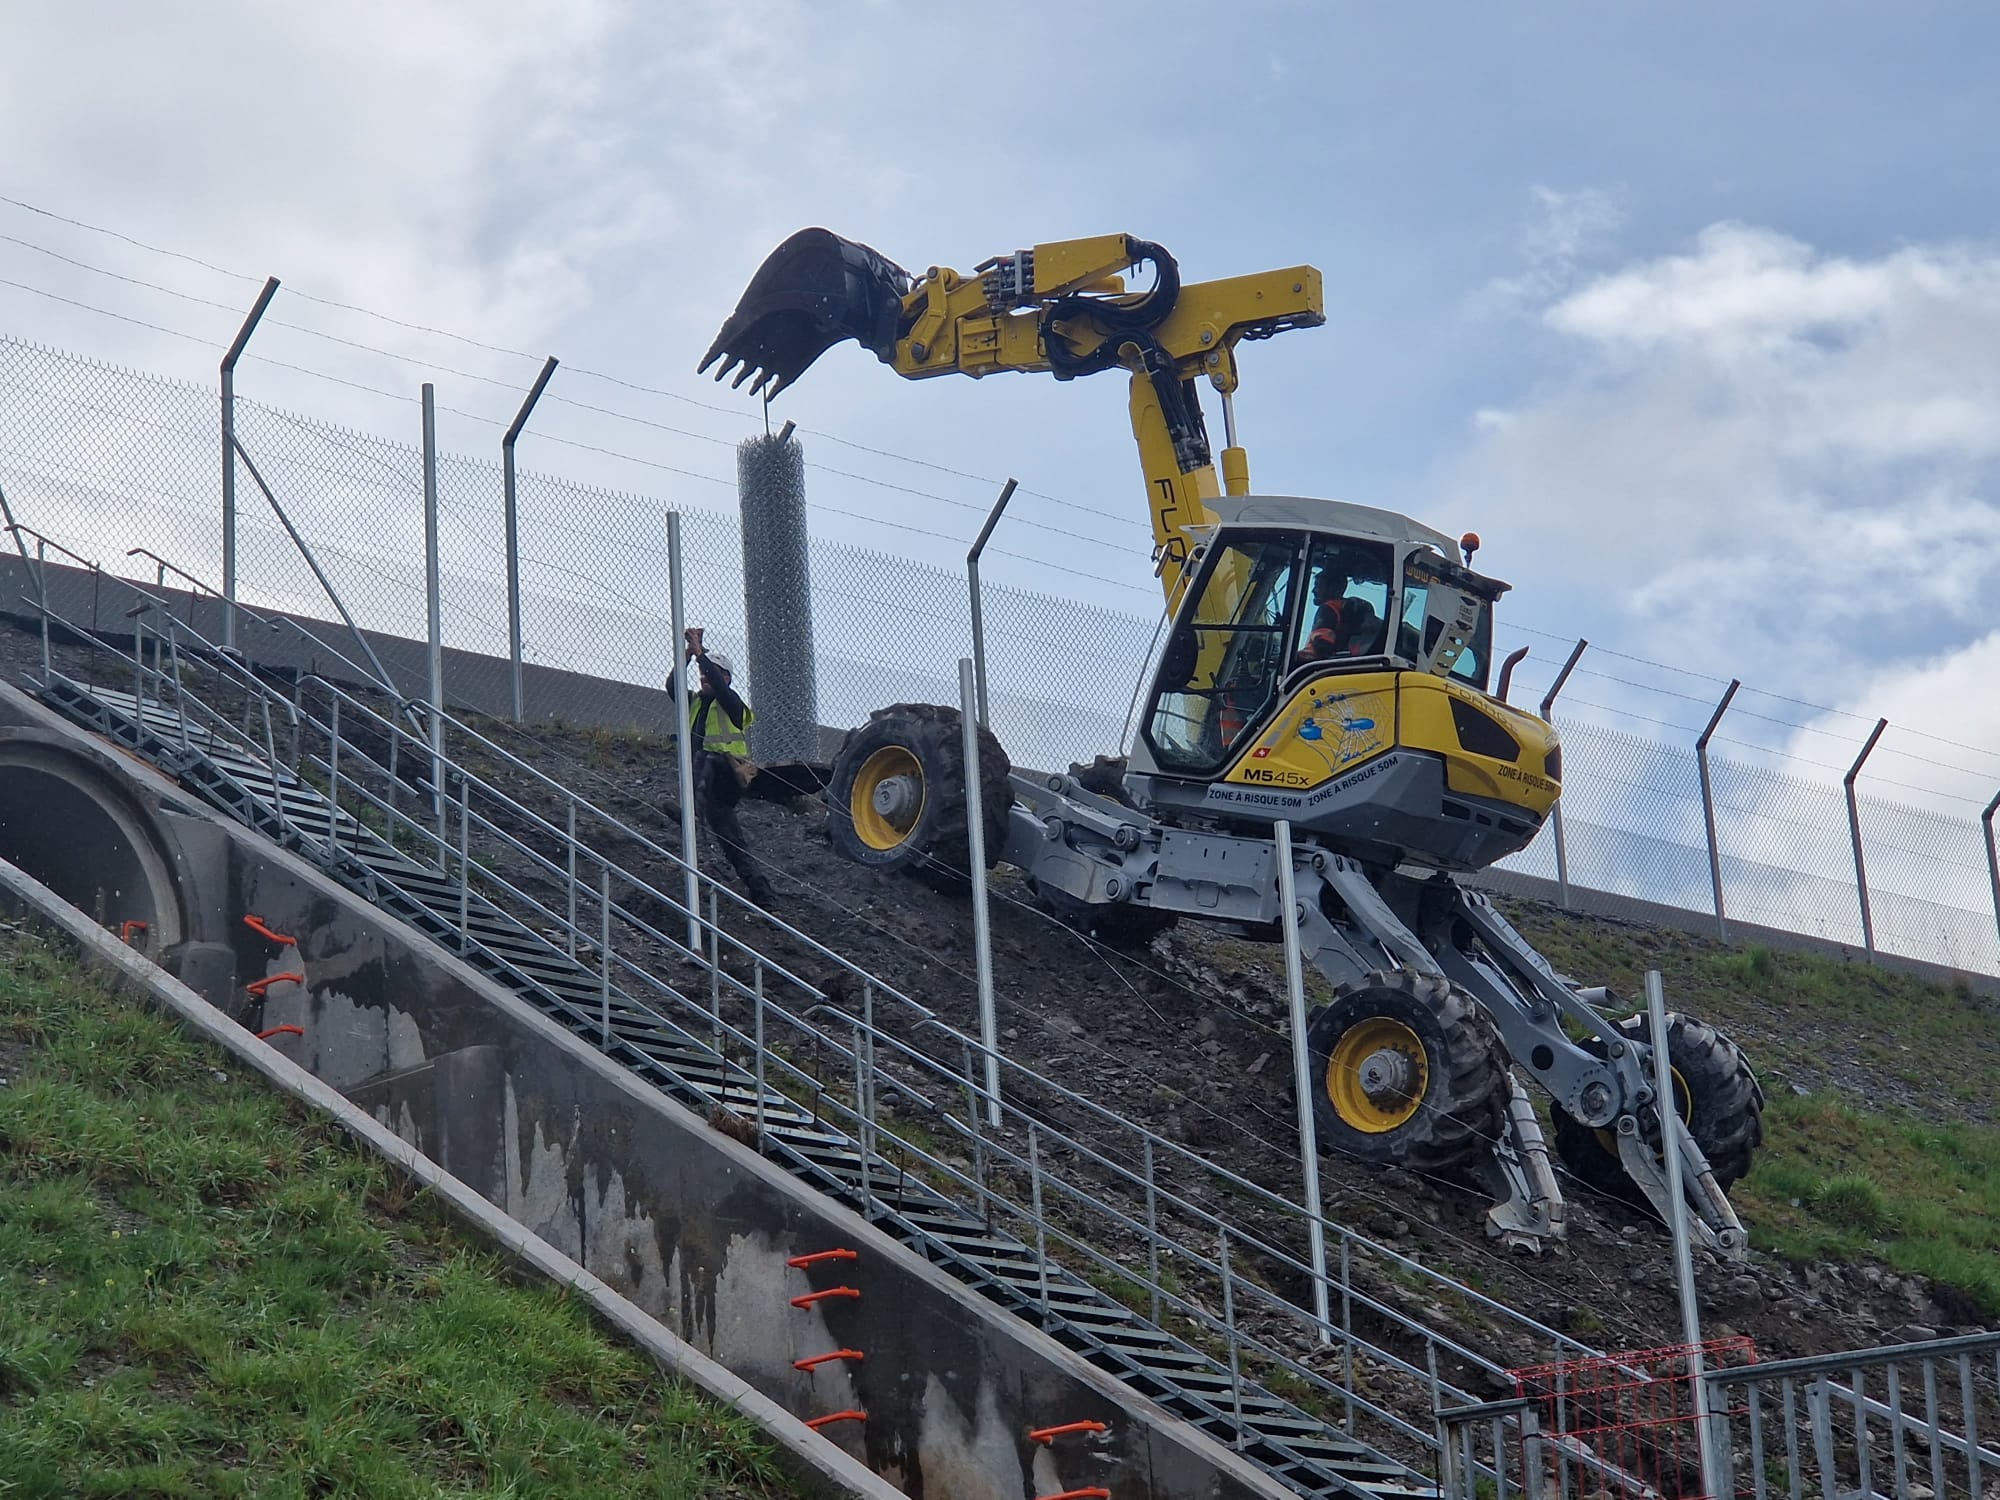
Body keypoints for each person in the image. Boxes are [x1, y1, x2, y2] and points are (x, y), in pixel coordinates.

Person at [666, 628, 775, 908]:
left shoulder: (732, 703)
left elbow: (721, 687)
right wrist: (688, 655)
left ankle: (691, 814)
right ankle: (764, 896)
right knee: (732, 842)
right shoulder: (695, 703)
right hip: (706, 786)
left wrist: (702, 654)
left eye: (710, 673)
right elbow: (672, 686)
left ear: (725, 677)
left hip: (729, 774)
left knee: (708, 757)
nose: (703, 678)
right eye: (702, 673)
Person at [1295, 564, 1386, 664]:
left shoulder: (1328, 609)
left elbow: (1322, 646)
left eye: (1318, 586)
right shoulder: (1351, 610)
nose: (1313, 591)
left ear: (1334, 588)